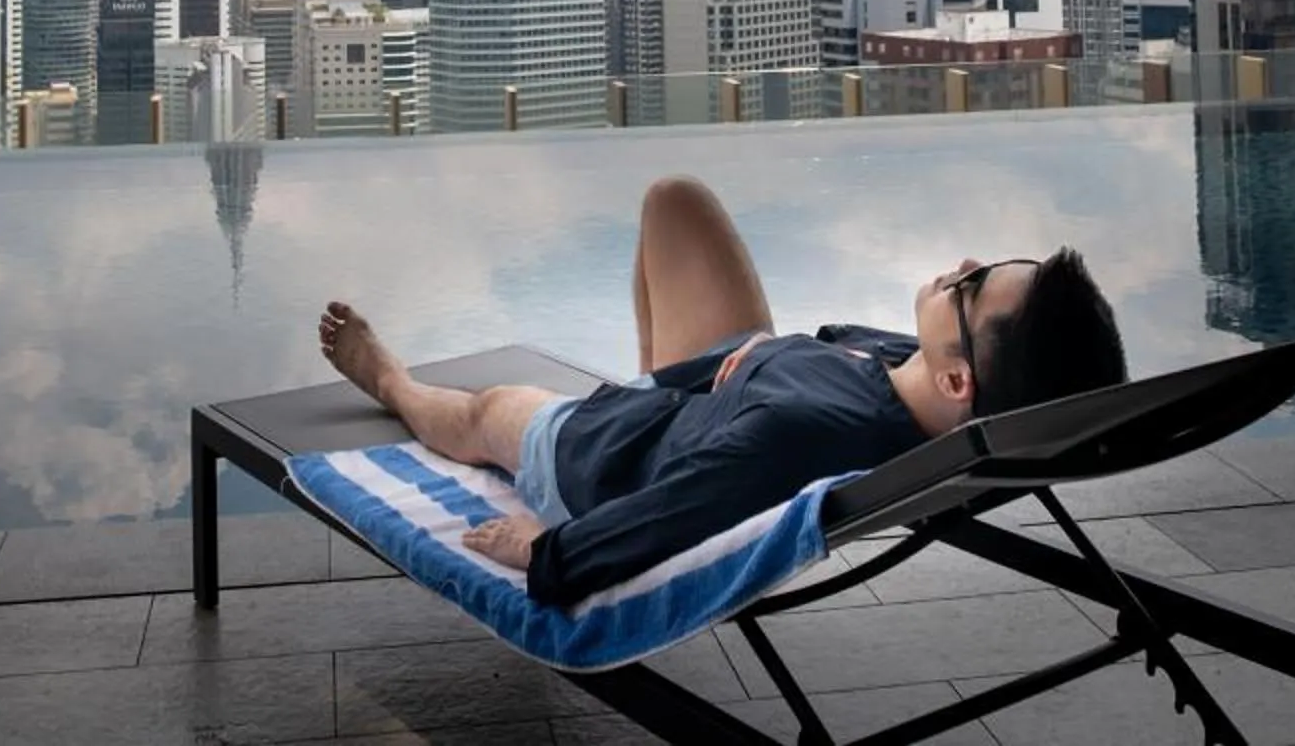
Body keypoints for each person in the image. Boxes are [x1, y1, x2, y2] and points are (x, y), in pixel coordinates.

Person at [317, 173, 1130, 604]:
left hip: (618, 457)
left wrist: (543, 548)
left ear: (960, 379)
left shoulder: (795, 438)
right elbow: (830, 354)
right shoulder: (924, 388)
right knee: (676, 201)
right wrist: (759, 360)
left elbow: (672, 515)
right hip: (724, 384)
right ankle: (653, 388)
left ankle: (391, 379)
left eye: (974, 284)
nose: (961, 266)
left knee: (490, 410)